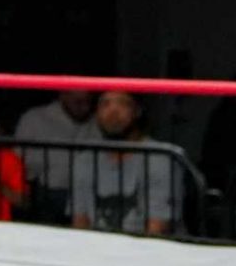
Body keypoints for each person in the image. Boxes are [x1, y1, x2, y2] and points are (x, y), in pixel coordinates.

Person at [71, 90, 177, 235]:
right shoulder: (85, 160)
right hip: (96, 245)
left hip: (144, 246)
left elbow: (157, 229)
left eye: (122, 103)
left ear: (137, 111)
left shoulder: (159, 158)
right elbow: (80, 222)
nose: (113, 112)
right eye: (105, 104)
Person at [13, 88, 102, 221]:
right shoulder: (35, 118)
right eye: (78, 102)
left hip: (86, 192)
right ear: (63, 96)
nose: (83, 107)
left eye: (87, 102)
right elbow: (17, 159)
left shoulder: (97, 122)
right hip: (45, 192)